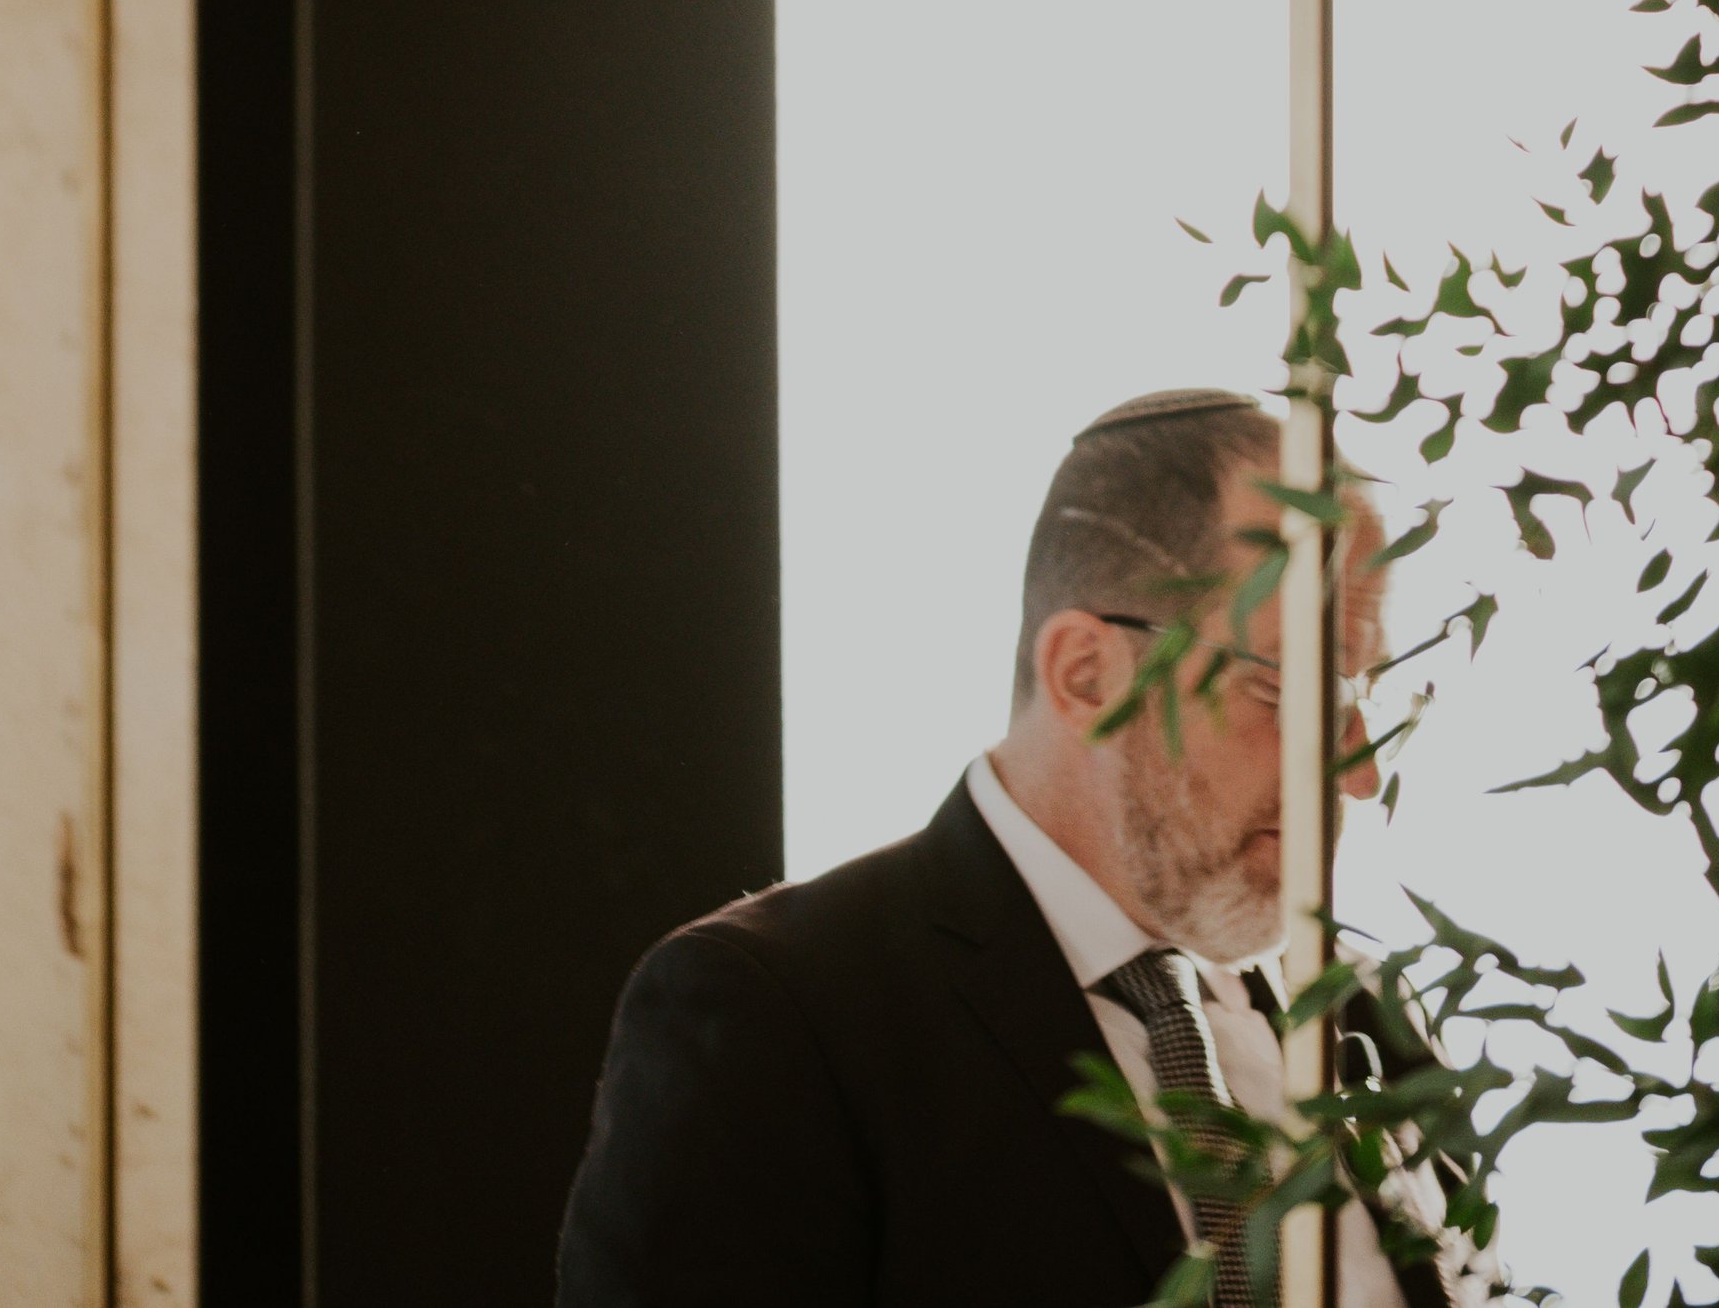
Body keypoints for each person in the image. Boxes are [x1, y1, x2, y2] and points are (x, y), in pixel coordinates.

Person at [558, 386, 1473, 1306]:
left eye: (1368, 700)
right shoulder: (781, 1016)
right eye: (1294, 695)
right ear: (1088, 675)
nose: (1359, 771)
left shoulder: (1372, 1014)